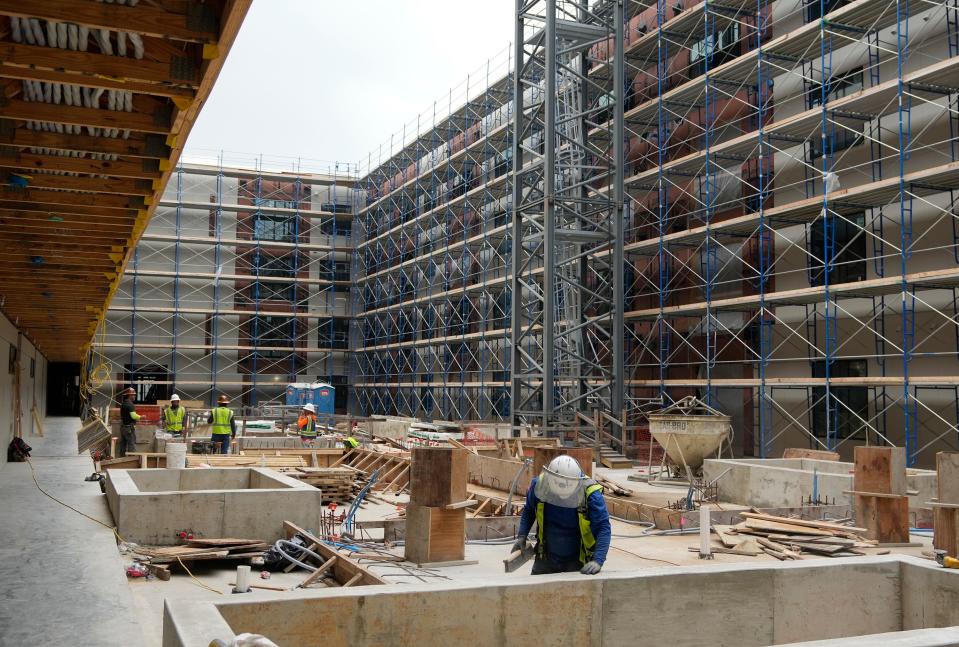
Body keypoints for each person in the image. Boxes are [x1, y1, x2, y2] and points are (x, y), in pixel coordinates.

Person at [511, 454, 611, 575]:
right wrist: (522, 536)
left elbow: (603, 528)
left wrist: (598, 560)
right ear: (550, 479)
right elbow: (529, 511)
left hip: (578, 558)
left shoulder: (591, 495)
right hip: (546, 556)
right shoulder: (540, 486)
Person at [118, 387, 140, 457]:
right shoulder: (130, 404)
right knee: (131, 444)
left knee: (123, 444)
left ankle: (121, 459)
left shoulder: (123, 403)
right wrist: (140, 416)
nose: (134, 396)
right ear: (129, 395)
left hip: (123, 427)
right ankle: (131, 460)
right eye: (133, 395)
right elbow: (133, 416)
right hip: (129, 428)